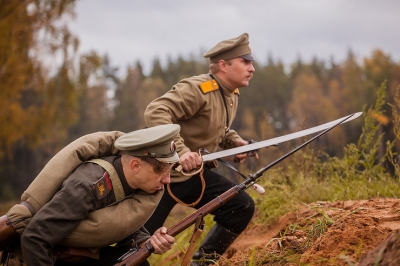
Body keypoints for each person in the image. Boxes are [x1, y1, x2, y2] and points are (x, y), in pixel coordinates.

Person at [143, 32, 257, 265]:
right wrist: (182, 152)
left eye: (251, 62)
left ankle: (202, 263)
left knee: (241, 206)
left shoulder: (230, 93)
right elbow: (155, 112)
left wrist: (234, 143)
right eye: (245, 61)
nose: (252, 68)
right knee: (138, 245)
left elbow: (216, 128)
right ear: (223, 65)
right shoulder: (198, 88)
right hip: (159, 178)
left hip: (193, 176)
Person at [1, 124, 180, 266]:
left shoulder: (135, 183)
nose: (167, 180)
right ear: (135, 166)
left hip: (77, 255)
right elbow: (35, 238)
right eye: (161, 171)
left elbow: (113, 223)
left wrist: (147, 241)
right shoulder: (87, 186)